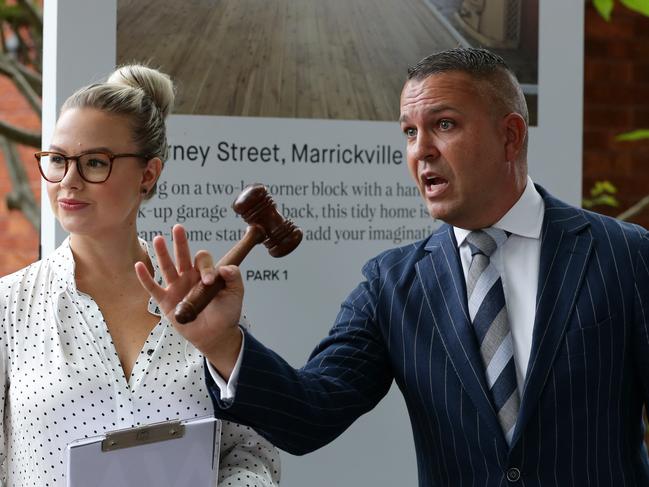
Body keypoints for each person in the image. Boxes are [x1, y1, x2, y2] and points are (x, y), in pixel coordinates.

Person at [137, 48, 649, 486]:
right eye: (409, 132)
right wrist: (221, 343)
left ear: (510, 136)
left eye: (443, 125)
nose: (420, 151)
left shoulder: (625, 256)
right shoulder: (393, 284)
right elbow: (309, 416)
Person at [0, 64, 280, 486]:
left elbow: (250, 452)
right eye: (58, 160)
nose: (69, 181)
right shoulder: (10, 308)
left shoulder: (204, 303)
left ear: (147, 175)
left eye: (95, 162)